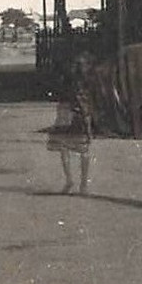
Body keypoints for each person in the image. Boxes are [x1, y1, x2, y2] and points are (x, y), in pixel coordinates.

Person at [46, 59, 93, 194]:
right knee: (84, 150)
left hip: (64, 113)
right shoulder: (84, 85)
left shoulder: (62, 84)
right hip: (79, 116)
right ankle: (83, 184)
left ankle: (69, 180)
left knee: (63, 148)